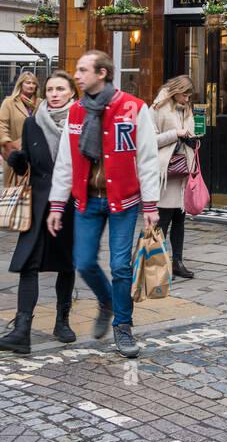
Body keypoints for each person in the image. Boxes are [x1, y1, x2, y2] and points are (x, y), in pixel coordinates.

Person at [47, 50, 159, 360]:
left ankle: (123, 326)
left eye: (83, 70)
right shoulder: (77, 112)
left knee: (121, 266)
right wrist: (57, 205)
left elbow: (147, 159)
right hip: (87, 200)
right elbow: (66, 162)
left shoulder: (134, 108)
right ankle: (108, 301)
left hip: (124, 200)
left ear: (102, 74)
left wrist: (151, 205)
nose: (77, 75)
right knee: (83, 262)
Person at [0, 71, 77, 355]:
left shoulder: (82, 122)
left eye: (61, 89)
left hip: (70, 205)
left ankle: (62, 321)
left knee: (67, 264)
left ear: (71, 93)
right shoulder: (33, 124)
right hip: (38, 204)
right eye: (51, 89)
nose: (55, 93)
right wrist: (16, 160)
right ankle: (22, 331)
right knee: (28, 264)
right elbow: (25, 166)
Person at [152, 76, 200, 281]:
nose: (187, 99)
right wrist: (176, 134)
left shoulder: (186, 107)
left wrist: (192, 138)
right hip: (166, 173)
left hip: (184, 171)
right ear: (175, 90)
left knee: (180, 220)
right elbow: (149, 141)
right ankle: (154, 264)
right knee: (162, 221)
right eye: (185, 94)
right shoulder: (156, 108)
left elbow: (190, 132)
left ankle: (178, 262)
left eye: (190, 96)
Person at [0, 71, 41, 186]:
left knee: (34, 192)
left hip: (36, 155)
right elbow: (1, 124)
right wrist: (7, 144)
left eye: (34, 83)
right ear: (21, 84)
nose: (31, 85)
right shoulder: (9, 102)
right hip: (15, 152)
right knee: (14, 188)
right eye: (28, 82)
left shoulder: (41, 103)